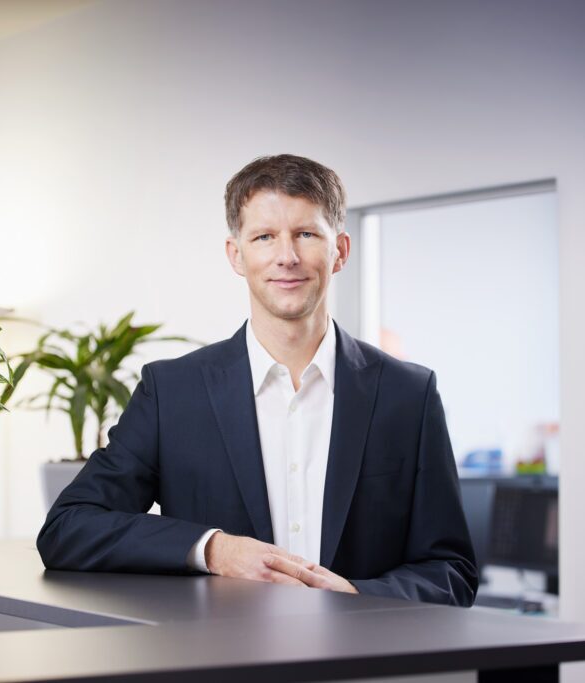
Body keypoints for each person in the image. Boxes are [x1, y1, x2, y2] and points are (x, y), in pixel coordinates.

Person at [37, 154, 478, 606]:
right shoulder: (171, 393)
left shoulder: (409, 395)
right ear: (237, 255)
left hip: (362, 650)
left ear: (340, 251)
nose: (287, 257)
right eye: (265, 237)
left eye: (306, 234)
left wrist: (356, 596)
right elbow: (69, 528)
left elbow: (451, 571)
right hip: (219, 649)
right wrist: (213, 550)